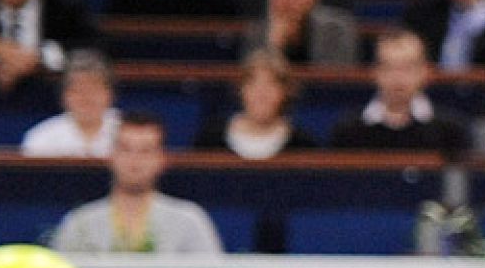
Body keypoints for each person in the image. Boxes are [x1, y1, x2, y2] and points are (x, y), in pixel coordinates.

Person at [51, 111, 224, 254]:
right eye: (126, 149)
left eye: (145, 151)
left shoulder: (189, 221)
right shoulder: (80, 224)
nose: (135, 160)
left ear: (161, 159)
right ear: (111, 156)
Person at [329, 30, 470, 155]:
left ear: (425, 72)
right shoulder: (348, 131)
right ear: (375, 72)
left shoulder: (450, 131)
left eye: (408, 68)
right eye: (389, 67)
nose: (398, 77)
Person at [194, 49, 319, 159]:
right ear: (241, 90)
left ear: (285, 92)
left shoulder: (303, 146)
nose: (261, 94)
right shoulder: (210, 140)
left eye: (271, 84)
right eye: (253, 84)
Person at [243, 0, 362, 67]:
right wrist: (274, 46)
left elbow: (335, 84)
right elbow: (254, 83)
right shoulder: (258, 31)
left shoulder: (337, 29)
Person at [21, 49, 121, 158]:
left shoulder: (130, 133)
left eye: (95, 89)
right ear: (64, 96)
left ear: (110, 94)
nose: (86, 97)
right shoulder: (41, 138)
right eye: (78, 90)